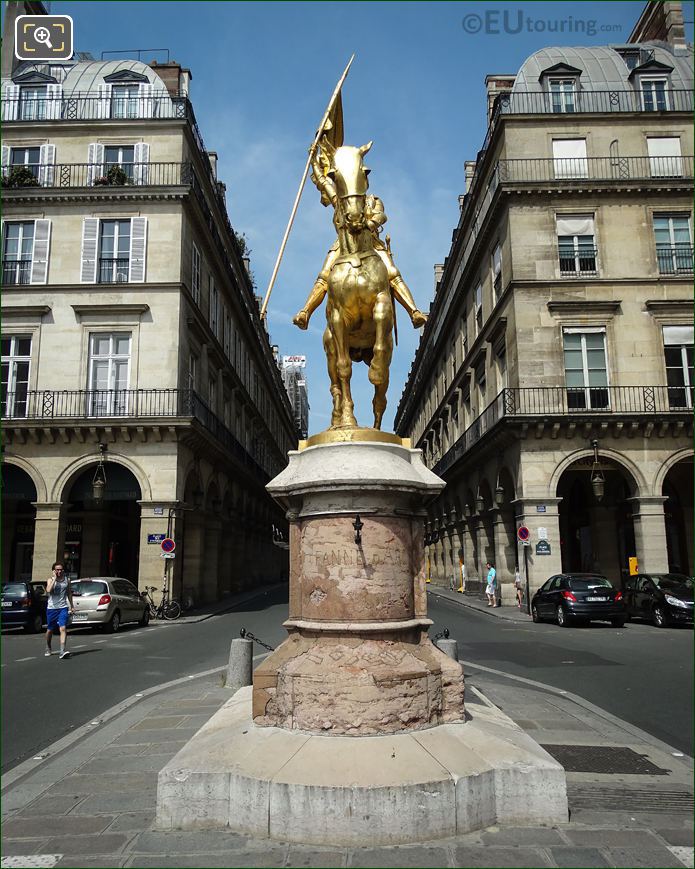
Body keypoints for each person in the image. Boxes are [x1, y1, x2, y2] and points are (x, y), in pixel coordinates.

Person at [45, 561, 73, 659]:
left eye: (61, 569)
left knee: (63, 628)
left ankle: (62, 651)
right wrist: (54, 579)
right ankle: (48, 646)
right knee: (50, 630)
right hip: (52, 608)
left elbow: (69, 593)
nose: (59, 571)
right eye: (57, 570)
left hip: (63, 607)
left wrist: (72, 606)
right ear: (54, 571)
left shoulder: (67, 580)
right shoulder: (50, 579)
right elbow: (48, 590)